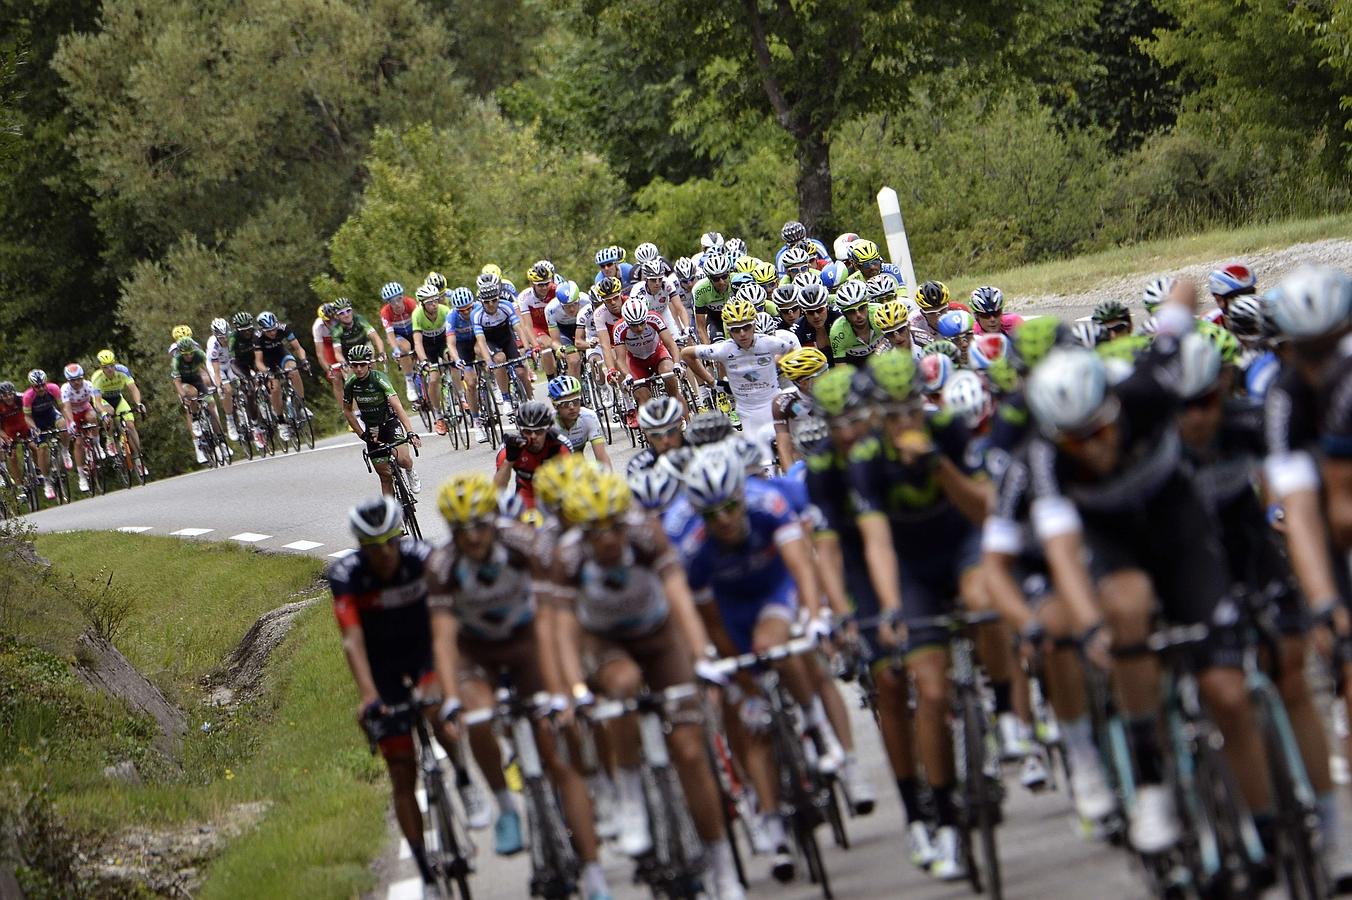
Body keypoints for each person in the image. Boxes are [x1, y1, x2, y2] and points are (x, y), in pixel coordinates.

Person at [1024, 322, 1273, 855]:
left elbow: (1179, 311)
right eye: (1075, 440)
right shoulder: (1046, 455)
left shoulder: (1144, 391)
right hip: (1116, 545)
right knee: (1127, 607)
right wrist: (1090, 624)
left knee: (1228, 694)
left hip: (1180, 532)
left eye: (1099, 430)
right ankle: (1151, 779)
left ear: (1115, 406)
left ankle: (1271, 829)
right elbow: (1063, 551)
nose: (1091, 448)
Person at [549, 472, 745, 899]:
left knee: (692, 751)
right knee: (622, 684)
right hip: (608, 643)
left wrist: (703, 656)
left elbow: (680, 597)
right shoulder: (567, 557)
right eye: (597, 532)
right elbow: (562, 631)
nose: (608, 539)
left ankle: (721, 864)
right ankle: (630, 791)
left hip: (659, 637)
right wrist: (575, 692)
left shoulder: (645, 534)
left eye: (615, 527)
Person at [427, 473, 616, 900]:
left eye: (479, 525)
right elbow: (442, 635)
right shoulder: (441, 564)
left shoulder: (524, 545)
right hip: (478, 653)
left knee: (557, 751)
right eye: (461, 530)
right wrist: (452, 699)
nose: (471, 538)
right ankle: (506, 805)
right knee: (476, 717)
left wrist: (561, 689)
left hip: (530, 643)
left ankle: (594, 872)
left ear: (493, 519)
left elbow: (551, 619)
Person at [664, 446, 839, 883]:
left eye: (729, 506)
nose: (723, 518)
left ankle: (817, 722)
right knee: (746, 717)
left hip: (772, 590)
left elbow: (800, 565)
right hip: (727, 610)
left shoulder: (768, 504)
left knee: (777, 643)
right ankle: (772, 821)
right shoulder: (691, 543)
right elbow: (710, 627)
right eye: (712, 512)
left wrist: (816, 617)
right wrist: (742, 684)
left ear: (741, 496)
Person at [329, 496, 483, 890]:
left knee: (439, 715)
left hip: (424, 652)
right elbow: (352, 640)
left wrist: (449, 681)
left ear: (400, 537)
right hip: (382, 669)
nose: (384, 554)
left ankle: (464, 780)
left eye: (390, 542)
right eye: (373, 547)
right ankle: (426, 872)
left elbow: (447, 619)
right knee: (401, 771)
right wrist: (368, 696)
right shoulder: (346, 576)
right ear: (361, 547)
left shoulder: (422, 557)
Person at [684, 290, 797, 451]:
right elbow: (686, 354)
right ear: (729, 331)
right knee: (763, 461)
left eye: (746, 327)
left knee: (788, 450)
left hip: (773, 405)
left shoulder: (768, 342)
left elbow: (791, 350)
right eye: (736, 330)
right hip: (748, 412)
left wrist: (776, 367)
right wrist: (711, 381)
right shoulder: (724, 349)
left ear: (754, 326)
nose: (742, 334)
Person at [341, 343, 421, 496]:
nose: (358, 369)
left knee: (403, 460)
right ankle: (391, 517)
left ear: (369, 365)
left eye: (362, 365)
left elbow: (397, 406)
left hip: (389, 423)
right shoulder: (350, 384)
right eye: (354, 365)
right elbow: (347, 410)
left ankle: (410, 471)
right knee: (385, 477)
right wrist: (361, 434)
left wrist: (410, 432)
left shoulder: (379, 379)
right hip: (372, 430)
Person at [611, 295, 685, 428]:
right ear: (627, 322)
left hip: (657, 354)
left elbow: (671, 344)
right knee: (642, 395)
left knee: (669, 373)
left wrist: (677, 364)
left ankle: (675, 410)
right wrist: (627, 376)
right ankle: (652, 431)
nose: (639, 328)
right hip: (636, 361)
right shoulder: (619, 328)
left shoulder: (654, 318)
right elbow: (620, 359)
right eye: (634, 325)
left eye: (642, 323)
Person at [472, 274, 537, 411]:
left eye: (494, 300)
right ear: (481, 302)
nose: (491, 305)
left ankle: (531, 400)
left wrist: (527, 348)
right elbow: (481, 340)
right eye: (487, 302)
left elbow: (518, 328)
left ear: (498, 298)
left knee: (520, 371)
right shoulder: (477, 314)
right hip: (490, 341)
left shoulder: (506, 306)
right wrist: (489, 361)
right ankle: (506, 397)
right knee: (499, 359)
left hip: (506, 337)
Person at [493, 399, 572, 509]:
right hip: (527, 496)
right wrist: (509, 460)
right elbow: (498, 489)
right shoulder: (509, 448)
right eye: (528, 432)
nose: (533, 436)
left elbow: (573, 484)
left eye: (539, 431)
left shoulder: (559, 445)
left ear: (548, 429)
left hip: (556, 496)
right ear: (520, 431)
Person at [253, 311, 309, 443]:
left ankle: (301, 406)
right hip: (267, 361)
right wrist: (267, 372)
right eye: (268, 331)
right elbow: (258, 362)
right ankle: (281, 421)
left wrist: (304, 360)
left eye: (273, 329)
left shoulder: (283, 328)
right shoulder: (257, 337)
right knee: (275, 387)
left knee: (294, 371)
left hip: (281, 354)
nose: (272, 333)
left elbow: (298, 347)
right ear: (262, 330)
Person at [90, 349, 146, 471]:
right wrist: (103, 413)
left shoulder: (123, 371)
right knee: (109, 412)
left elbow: (133, 389)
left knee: (130, 425)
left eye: (112, 365)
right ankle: (110, 439)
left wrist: (138, 403)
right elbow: (98, 401)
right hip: (103, 401)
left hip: (118, 399)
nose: (110, 369)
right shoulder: (97, 378)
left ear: (115, 364)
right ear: (101, 367)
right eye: (106, 367)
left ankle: (138, 459)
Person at [172, 335, 224, 465]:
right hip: (185, 383)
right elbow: (177, 382)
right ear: (181, 353)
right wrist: (183, 396)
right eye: (186, 354)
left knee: (211, 403)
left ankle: (221, 440)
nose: (189, 356)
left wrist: (213, 385)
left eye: (191, 353)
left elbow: (207, 370)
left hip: (197, 379)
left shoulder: (199, 354)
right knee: (192, 393)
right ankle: (195, 418)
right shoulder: (176, 361)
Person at [59, 363, 110, 493]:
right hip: (73, 414)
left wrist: (103, 413)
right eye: (73, 380)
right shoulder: (65, 389)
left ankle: (97, 444)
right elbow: (67, 407)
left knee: (93, 417)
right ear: (68, 380)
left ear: (82, 377)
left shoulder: (88, 385)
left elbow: (96, 401)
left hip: (86, 409)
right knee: (78, 443)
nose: (76, 382)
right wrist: (70, 422)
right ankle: (82, 476)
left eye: (79, 379)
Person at [410, 283, 453, 435]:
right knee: (433, 378)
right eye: (429, 302)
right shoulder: (417, 315)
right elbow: (417, 343)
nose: (434, 304)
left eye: (435, 300)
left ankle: (460, 397)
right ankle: (438, 416)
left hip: (443, 343)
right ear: (422, 303)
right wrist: (424, 361)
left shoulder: (445, 311)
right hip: (428, 348)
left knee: (452, 359)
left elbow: (451, 337)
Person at [22, 369, 70, 500]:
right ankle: (47, 482)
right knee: (41, 449)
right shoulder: (28, 396)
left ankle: (65, 452)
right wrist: (34, 428)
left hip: (51, 415)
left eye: (43, 385)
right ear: (32, 386)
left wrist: (69, 422)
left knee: (63, 426)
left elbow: (62, 408)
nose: (41, 388)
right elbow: (27, 417)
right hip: (36, 421)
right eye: (37, 386)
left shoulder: (53, 388)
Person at [547, 375, 612, 469]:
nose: (572, 407)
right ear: (555, 405)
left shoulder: (589, 417)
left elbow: (601, 457)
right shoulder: (549, 424)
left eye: (576, 401)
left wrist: (608, 480)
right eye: (565, 404)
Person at [379, 281, 420, 402]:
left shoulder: (411, 303)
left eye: (399, 299)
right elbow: (390, 335)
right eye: (392, 301)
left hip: (414, 332)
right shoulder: (385, 312)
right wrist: (396, 350)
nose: (397, 304)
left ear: (403, 296)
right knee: (404, 349)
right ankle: (409, 382)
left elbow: (420, 324)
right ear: (388, 303)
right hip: (400, 336)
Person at [829, 280, 884, 364]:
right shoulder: (838, 332)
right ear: (844, 314)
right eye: (851, 311)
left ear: (867, 305)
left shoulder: (881, 313)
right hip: (856, 364)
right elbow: (841, 368)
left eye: (861, 308)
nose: (858, 315)